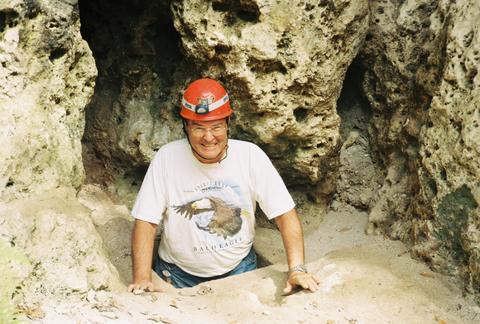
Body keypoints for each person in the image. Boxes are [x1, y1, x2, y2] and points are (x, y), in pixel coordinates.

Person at [128, 78, 319, 294]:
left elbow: (285, 214)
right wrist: (142, 278)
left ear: (228, 124)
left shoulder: (250, 156)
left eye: (216, 127)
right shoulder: (167, 158)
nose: (209, 137)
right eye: (199, 128)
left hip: (240, 271)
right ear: (186, 127)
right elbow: (146, 220)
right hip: (176, 276)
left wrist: (297, 269)